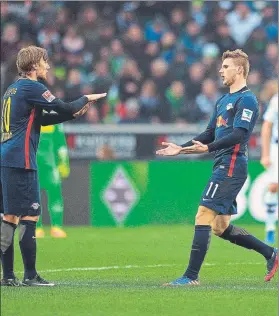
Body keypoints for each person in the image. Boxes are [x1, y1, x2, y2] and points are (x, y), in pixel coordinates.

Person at [156, 49, 278, 286]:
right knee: (220, 227)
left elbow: (239, 134)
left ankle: (190, 277)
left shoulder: (248, 100)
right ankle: (271, 253)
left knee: (203, 214)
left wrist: (209, 148)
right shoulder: (223, 100)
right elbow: (209, 133)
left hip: (232, 163)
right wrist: (180, 148)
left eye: (226, 67)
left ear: (239, 69)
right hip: (222, 162)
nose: (221, 71)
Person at [0, 45, 106, 286]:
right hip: (22, 159)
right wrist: (85, 99)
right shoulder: (32, 86)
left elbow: (43, 118)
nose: (48, 66)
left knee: (8, 217)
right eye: (45, 62)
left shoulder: (12, 89)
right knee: (30, 215)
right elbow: (63, 106)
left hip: (6, 158)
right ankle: (30, 275)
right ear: (35, 65)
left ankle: (7, 276)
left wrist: (72, 114)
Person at [36, 123, 70, 238]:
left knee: (55, 195)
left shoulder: (55, 120)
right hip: (33, 165)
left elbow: (61, 144)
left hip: (51, 166)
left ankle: (56, 227)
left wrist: (63, 163)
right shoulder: (26, 117)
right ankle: (36, 227)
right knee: (34, 197)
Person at [260, 92, 278, 244]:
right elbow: (267, 126)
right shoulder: (277, 100)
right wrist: (265, 154)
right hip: (276, 147)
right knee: (273, 187)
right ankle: (270, 227)